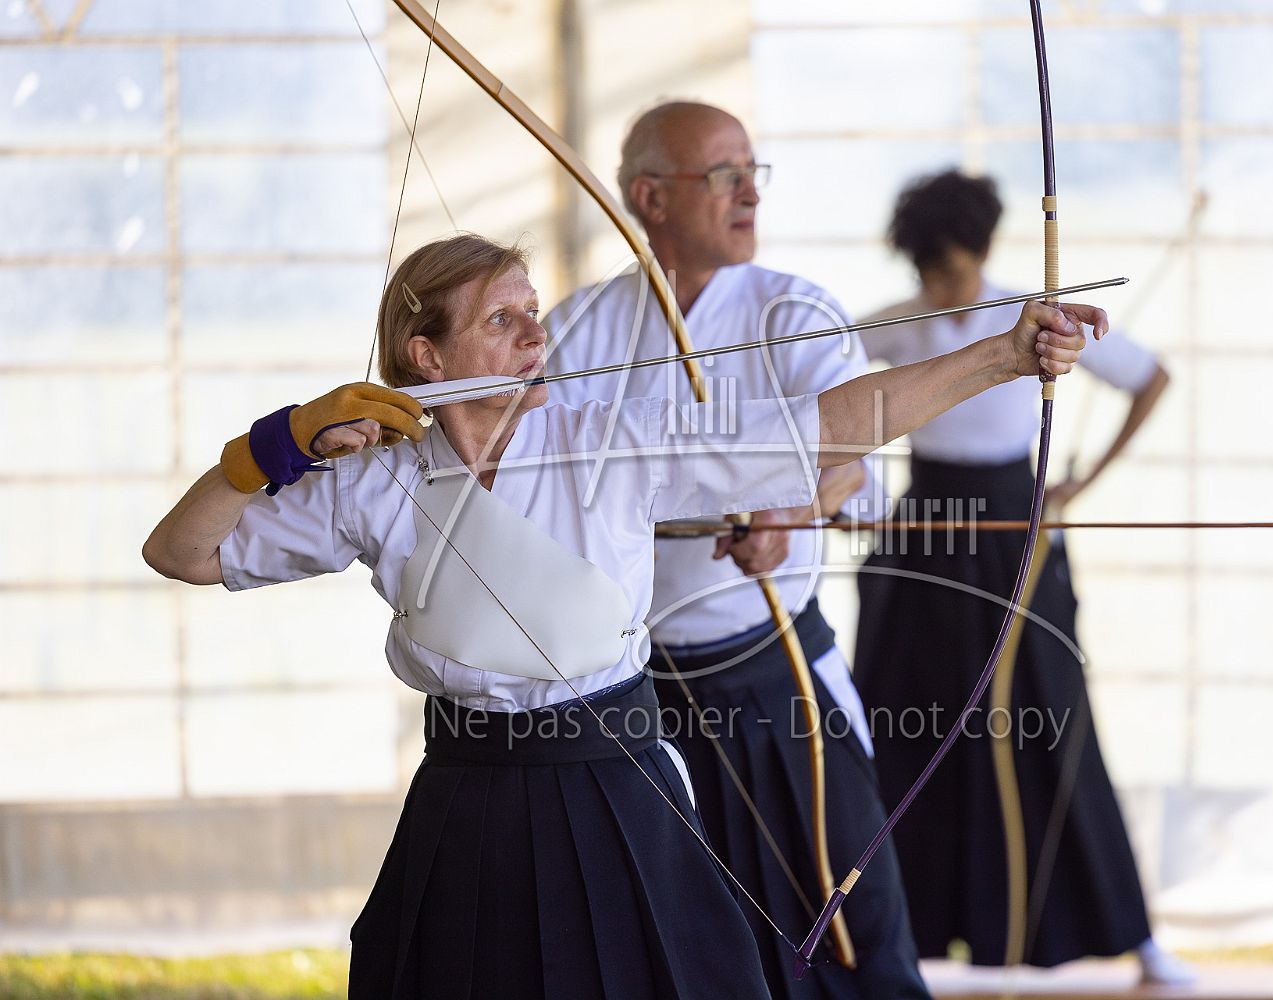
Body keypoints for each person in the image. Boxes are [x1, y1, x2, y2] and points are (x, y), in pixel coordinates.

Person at [141, 231, 1104, 999]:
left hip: (616, 777)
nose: (535, 335)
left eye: (534, 312)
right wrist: (273, 446)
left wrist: (1003, 355)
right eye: (501, 319)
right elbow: (182, 553)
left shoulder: (611, 439)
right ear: (425, 354)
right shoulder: (366, 476)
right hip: (468, 790)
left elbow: (824, 427)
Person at [543, 100, 924, 1000]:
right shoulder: (576, 328)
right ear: (650, 197)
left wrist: (791, 507)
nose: (750, 192)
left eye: (753, 171)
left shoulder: (795, 309)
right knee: (679, 947)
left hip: (775, 673)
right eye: (723, 174)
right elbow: (534, 477)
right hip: (637, 692)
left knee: (847, 931)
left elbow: (850, 456)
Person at [853, 169, 1191, 985]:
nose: (944, 288)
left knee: (1050, 717)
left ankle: (1134, 937)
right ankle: (888, 941)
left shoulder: (1031, 317)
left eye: (953, 269)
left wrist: (1080, 484)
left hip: (1016, 532)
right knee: (905, 722)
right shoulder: (895, 322)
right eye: (930, 272)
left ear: (981, 250)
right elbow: (820, 401)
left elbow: (1149, 377)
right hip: (923, 534)